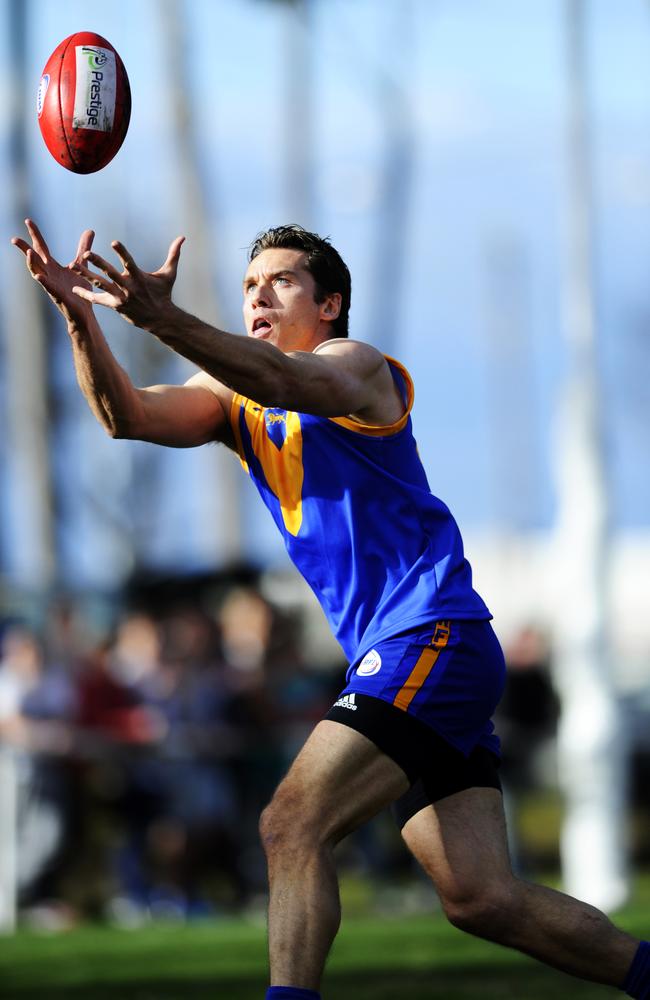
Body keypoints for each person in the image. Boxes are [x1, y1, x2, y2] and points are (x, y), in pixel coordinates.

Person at [11, 219, 650, 1000]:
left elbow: (290, 384)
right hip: (415, 651)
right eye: (249, 286)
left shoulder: (357, 365)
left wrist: (164, 319)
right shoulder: (231, 395)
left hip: (430, 635)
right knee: (482, 898)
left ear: (331, 303)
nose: (258, 295)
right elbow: (126, 417)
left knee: (290, 822)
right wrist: (80, 315)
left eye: (279, 281)